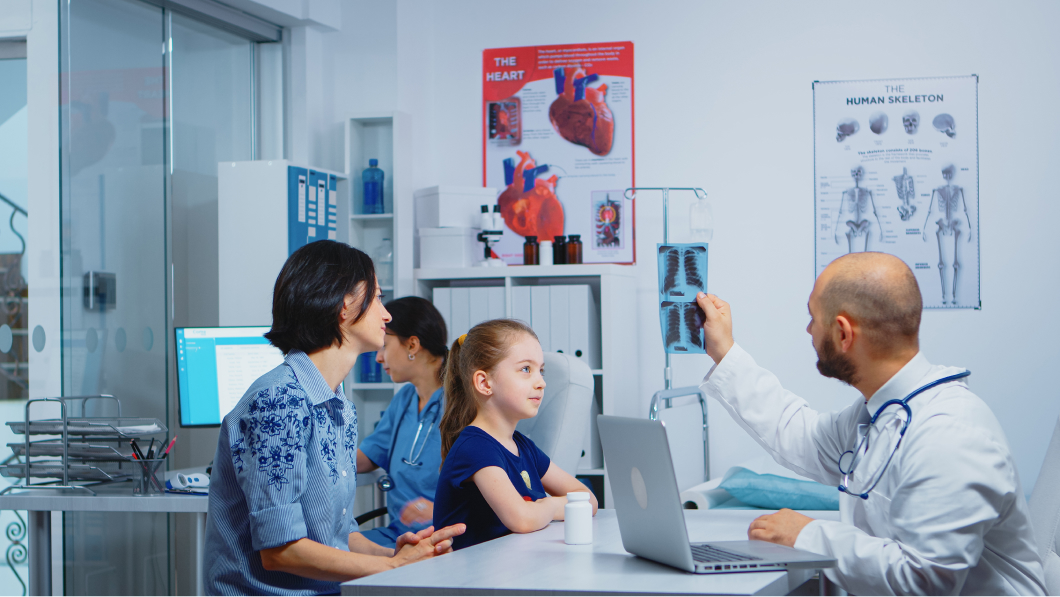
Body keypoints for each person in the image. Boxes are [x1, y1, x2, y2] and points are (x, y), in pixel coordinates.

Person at [695, 252, 1046, 595]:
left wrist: (809, 535)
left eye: (813, 318)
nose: (808, 330)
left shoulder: (949, 434)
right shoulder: (883, 410)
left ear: (843, 333)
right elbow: (802, 436)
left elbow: (924, 582)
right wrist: (724, 352)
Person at [204, 240, 464, 595]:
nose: (386, 316)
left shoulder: (338, 405)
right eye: (377, 298)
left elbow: (340, 534)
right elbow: (281, 551)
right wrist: (390, 567)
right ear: (345, 306)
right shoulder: (279, 401)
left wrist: (399, 555)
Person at [432, 319, 598, 550]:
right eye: (525, 369)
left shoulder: (522, 446)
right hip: (470, 580)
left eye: (541, 371)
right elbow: (522, 518)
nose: (541, 382)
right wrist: (551, 506)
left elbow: (588, 499)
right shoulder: (475, 448)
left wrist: (543, 507)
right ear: (484, 382)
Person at [355, 297, 448, 548]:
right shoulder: (405, 399)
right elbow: (367, 457)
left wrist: (443, 509)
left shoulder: (462, 404)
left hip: (443, 536)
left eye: (384, 345)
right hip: (398, 534)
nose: (378, 358)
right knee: (328, 549)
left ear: (413, 345)